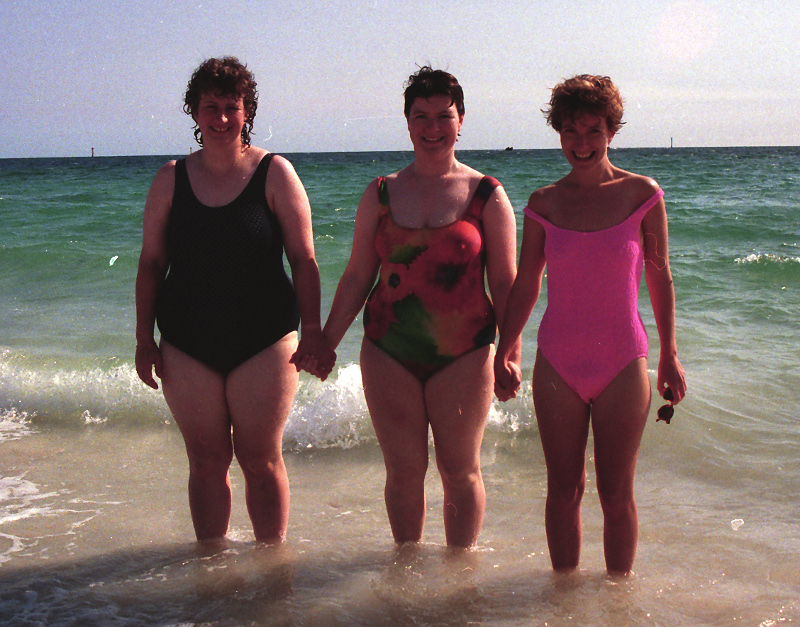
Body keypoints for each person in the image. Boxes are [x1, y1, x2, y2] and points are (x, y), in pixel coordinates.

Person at [297, 67, 519, 549]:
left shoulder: (487, 195)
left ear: (462, 121)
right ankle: (407, 572)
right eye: (421, 116)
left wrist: (510, 352)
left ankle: (459, 577)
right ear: (407, 121)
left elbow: (506, 283)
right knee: (403, 472)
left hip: (464, 353)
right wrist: (325, 342)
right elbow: (357, 276)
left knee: (460, 471)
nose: (433, 127)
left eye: (444, 116)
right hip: (388, 349)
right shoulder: (381, 192)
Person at [494, 75, 687, 576]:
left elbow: (660, 275)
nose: (581, 143)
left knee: (616, 493)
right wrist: (505, 350)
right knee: (563, 490)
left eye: (592, 131)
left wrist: (669, 353)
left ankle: (618, 602)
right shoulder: (543, 203)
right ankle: (563, 601)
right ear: (558, 132)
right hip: (557, 363)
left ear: (611, 131)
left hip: (623, 361)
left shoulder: (642, 194)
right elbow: (526, 283)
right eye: (570, 131)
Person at [135, 57, 330, 546]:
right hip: (187, 340)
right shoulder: (170, 179)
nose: (221, 118)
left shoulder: (275, 173)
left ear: (248, 111)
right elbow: (151, 263)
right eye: (210, 107)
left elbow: (304, 259)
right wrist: (143, 338)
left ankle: (272, 572)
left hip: (265, 339)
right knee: (206, 463)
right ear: (194, 112)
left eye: (231, 107)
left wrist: (312, 331)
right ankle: (211, 571)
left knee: (260, 460)